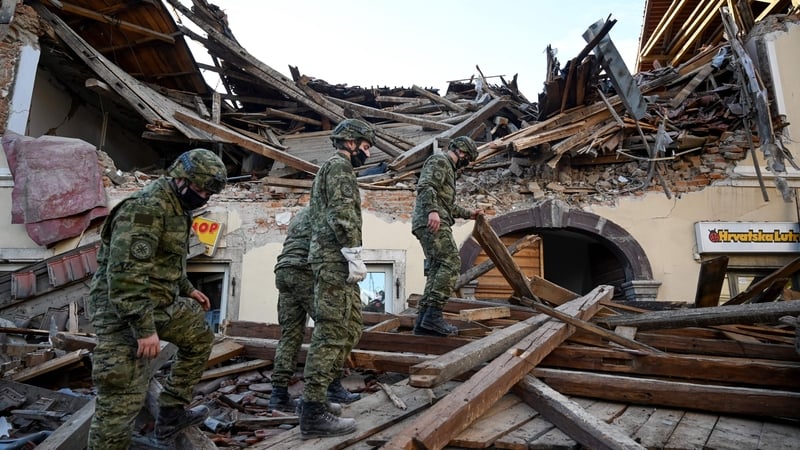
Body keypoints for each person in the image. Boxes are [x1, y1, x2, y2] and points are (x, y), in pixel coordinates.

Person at [87, 148, 227, 449]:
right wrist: (144, 329)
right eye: (200, 189)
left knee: (200, 336)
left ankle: (171, 412)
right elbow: (126, 276)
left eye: (208, 192)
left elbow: (166, 262)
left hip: (157, 301)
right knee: (122, 400)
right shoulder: (146, 209)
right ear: (179, 178)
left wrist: (187, 288)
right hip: (121, 312)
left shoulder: (178, 207)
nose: (203, 196)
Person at [299, 118, 374, 439]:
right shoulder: (339, 168)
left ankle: (318, 398)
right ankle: (313, 410)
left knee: (344, 326)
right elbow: (342, 213)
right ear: (351, 142)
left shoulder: (332, 169)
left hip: (332, 257)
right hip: (334, 258)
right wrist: (353, 251)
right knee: (331, 331)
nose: (368, 155)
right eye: (366, 147)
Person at [268, 208, 358, 416]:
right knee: (333, 327)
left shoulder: (300, 214)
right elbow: (338, 243)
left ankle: (278, 395)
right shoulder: (329, 211)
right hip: (305, 269)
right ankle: (332, 386)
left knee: (290, 334)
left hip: (284, 270)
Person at [412, 136, 483, 336]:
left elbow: (448, 206)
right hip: (432, 221)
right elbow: (426, 186)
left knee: (437, 268)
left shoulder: (448, 169)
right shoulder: (440, 161)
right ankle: (433, 317)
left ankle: (424, 321)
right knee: (451, 263)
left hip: (432, 219)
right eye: (467, 157)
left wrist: (469, 214)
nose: (466, 162)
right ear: (461, 151)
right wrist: (432, 211)